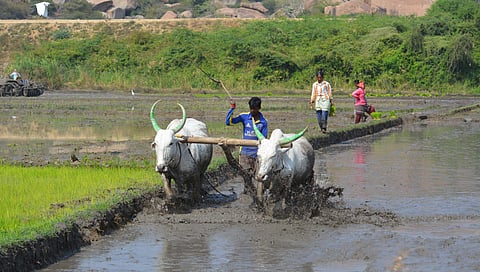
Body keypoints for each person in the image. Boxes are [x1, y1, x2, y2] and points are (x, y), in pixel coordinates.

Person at [226, 97, 268, 174]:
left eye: (254, 109)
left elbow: (264, 140)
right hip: (245, 153)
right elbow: (228, 122)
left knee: (258, 177)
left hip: (257, 154)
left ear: (259, 108)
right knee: (246, 177)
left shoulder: (263, 122)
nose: (252, 111)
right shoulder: (244, 117)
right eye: (251, 108)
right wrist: (232, 108)